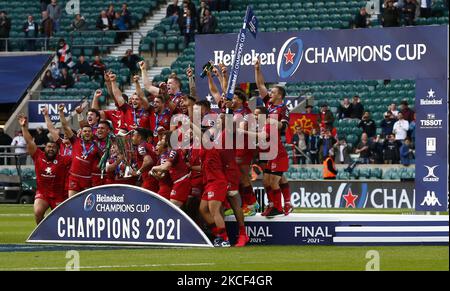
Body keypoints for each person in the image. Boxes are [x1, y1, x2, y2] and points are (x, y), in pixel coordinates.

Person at [18, 114, 71, 224]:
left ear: (57, 150)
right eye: (49, 147)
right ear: (45, 148)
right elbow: (29, 141)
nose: (51, 149)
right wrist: (24, 127)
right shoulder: (38, 155)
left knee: (62, 221)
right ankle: (40, 235)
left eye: (53, 147)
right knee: (38, 212)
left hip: (59, 195)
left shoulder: (64, 159)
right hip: (43, 194)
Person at [59, 104, 100, 197]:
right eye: (85, 131)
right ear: (81, 132)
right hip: (74, 177)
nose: (87, 133)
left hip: (87, 179)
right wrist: (61, 112)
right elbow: (65, 127)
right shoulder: (75, 141)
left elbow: (102, 160)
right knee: (72, 203)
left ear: (92, 133)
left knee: (86, 206)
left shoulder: (96, 146)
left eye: (89, 131)